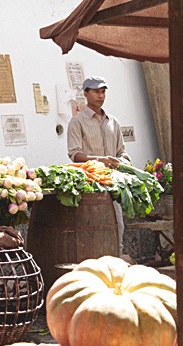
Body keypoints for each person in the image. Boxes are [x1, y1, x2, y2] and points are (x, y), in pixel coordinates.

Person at [67, 76, 131, 255]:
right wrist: (99, 160)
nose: (100, 96)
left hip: (113, 184)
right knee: (91, 228)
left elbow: (122, 151)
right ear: (86, 94)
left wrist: (124, 161)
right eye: (96, 91)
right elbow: (75, 155)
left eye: (103, 92)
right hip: (90, 185)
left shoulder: (113, 122)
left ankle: (117, 258)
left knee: (118, 225)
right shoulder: (77, 122)